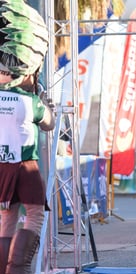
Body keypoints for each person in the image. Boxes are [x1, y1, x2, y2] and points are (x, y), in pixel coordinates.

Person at [0, 0, 55, 273]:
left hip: (2, 167)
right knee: (33, 216)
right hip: (26, 166)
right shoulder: (28, 101)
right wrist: (45, 104)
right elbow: (48, 124)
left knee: (7, 218)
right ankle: (18, 269)